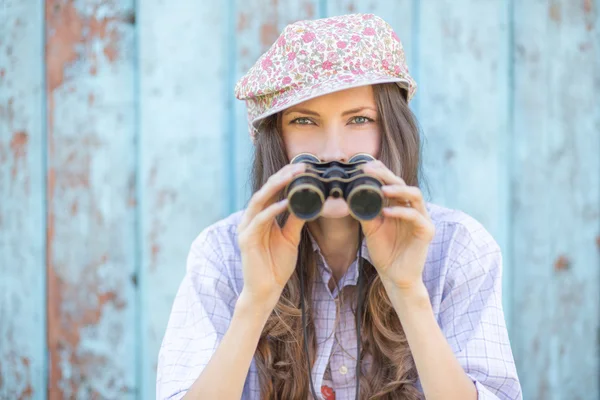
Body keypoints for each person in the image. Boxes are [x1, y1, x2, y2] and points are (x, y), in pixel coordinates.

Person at [156, 13, 522, 400]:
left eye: (359, 119)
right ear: (275, 140)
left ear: (393, 131)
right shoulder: (223, 254)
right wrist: (256, 300)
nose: (333, 153)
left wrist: (409, 292)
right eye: (304, 121)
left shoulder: (458, 250)